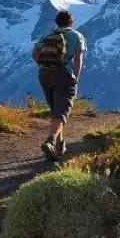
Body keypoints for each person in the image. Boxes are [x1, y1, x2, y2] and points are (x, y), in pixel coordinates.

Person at [34, 9, 86, 161]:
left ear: (57, 22)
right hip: (64, 75)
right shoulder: (76, 36)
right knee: (62, 111)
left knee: (56, 109)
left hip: (44, 74)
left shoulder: (47, 36)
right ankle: (50, 141)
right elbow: (78, 59)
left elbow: (34, 55)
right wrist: (75, 77)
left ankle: (59, 145)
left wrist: (46, 64)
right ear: (71, 22)